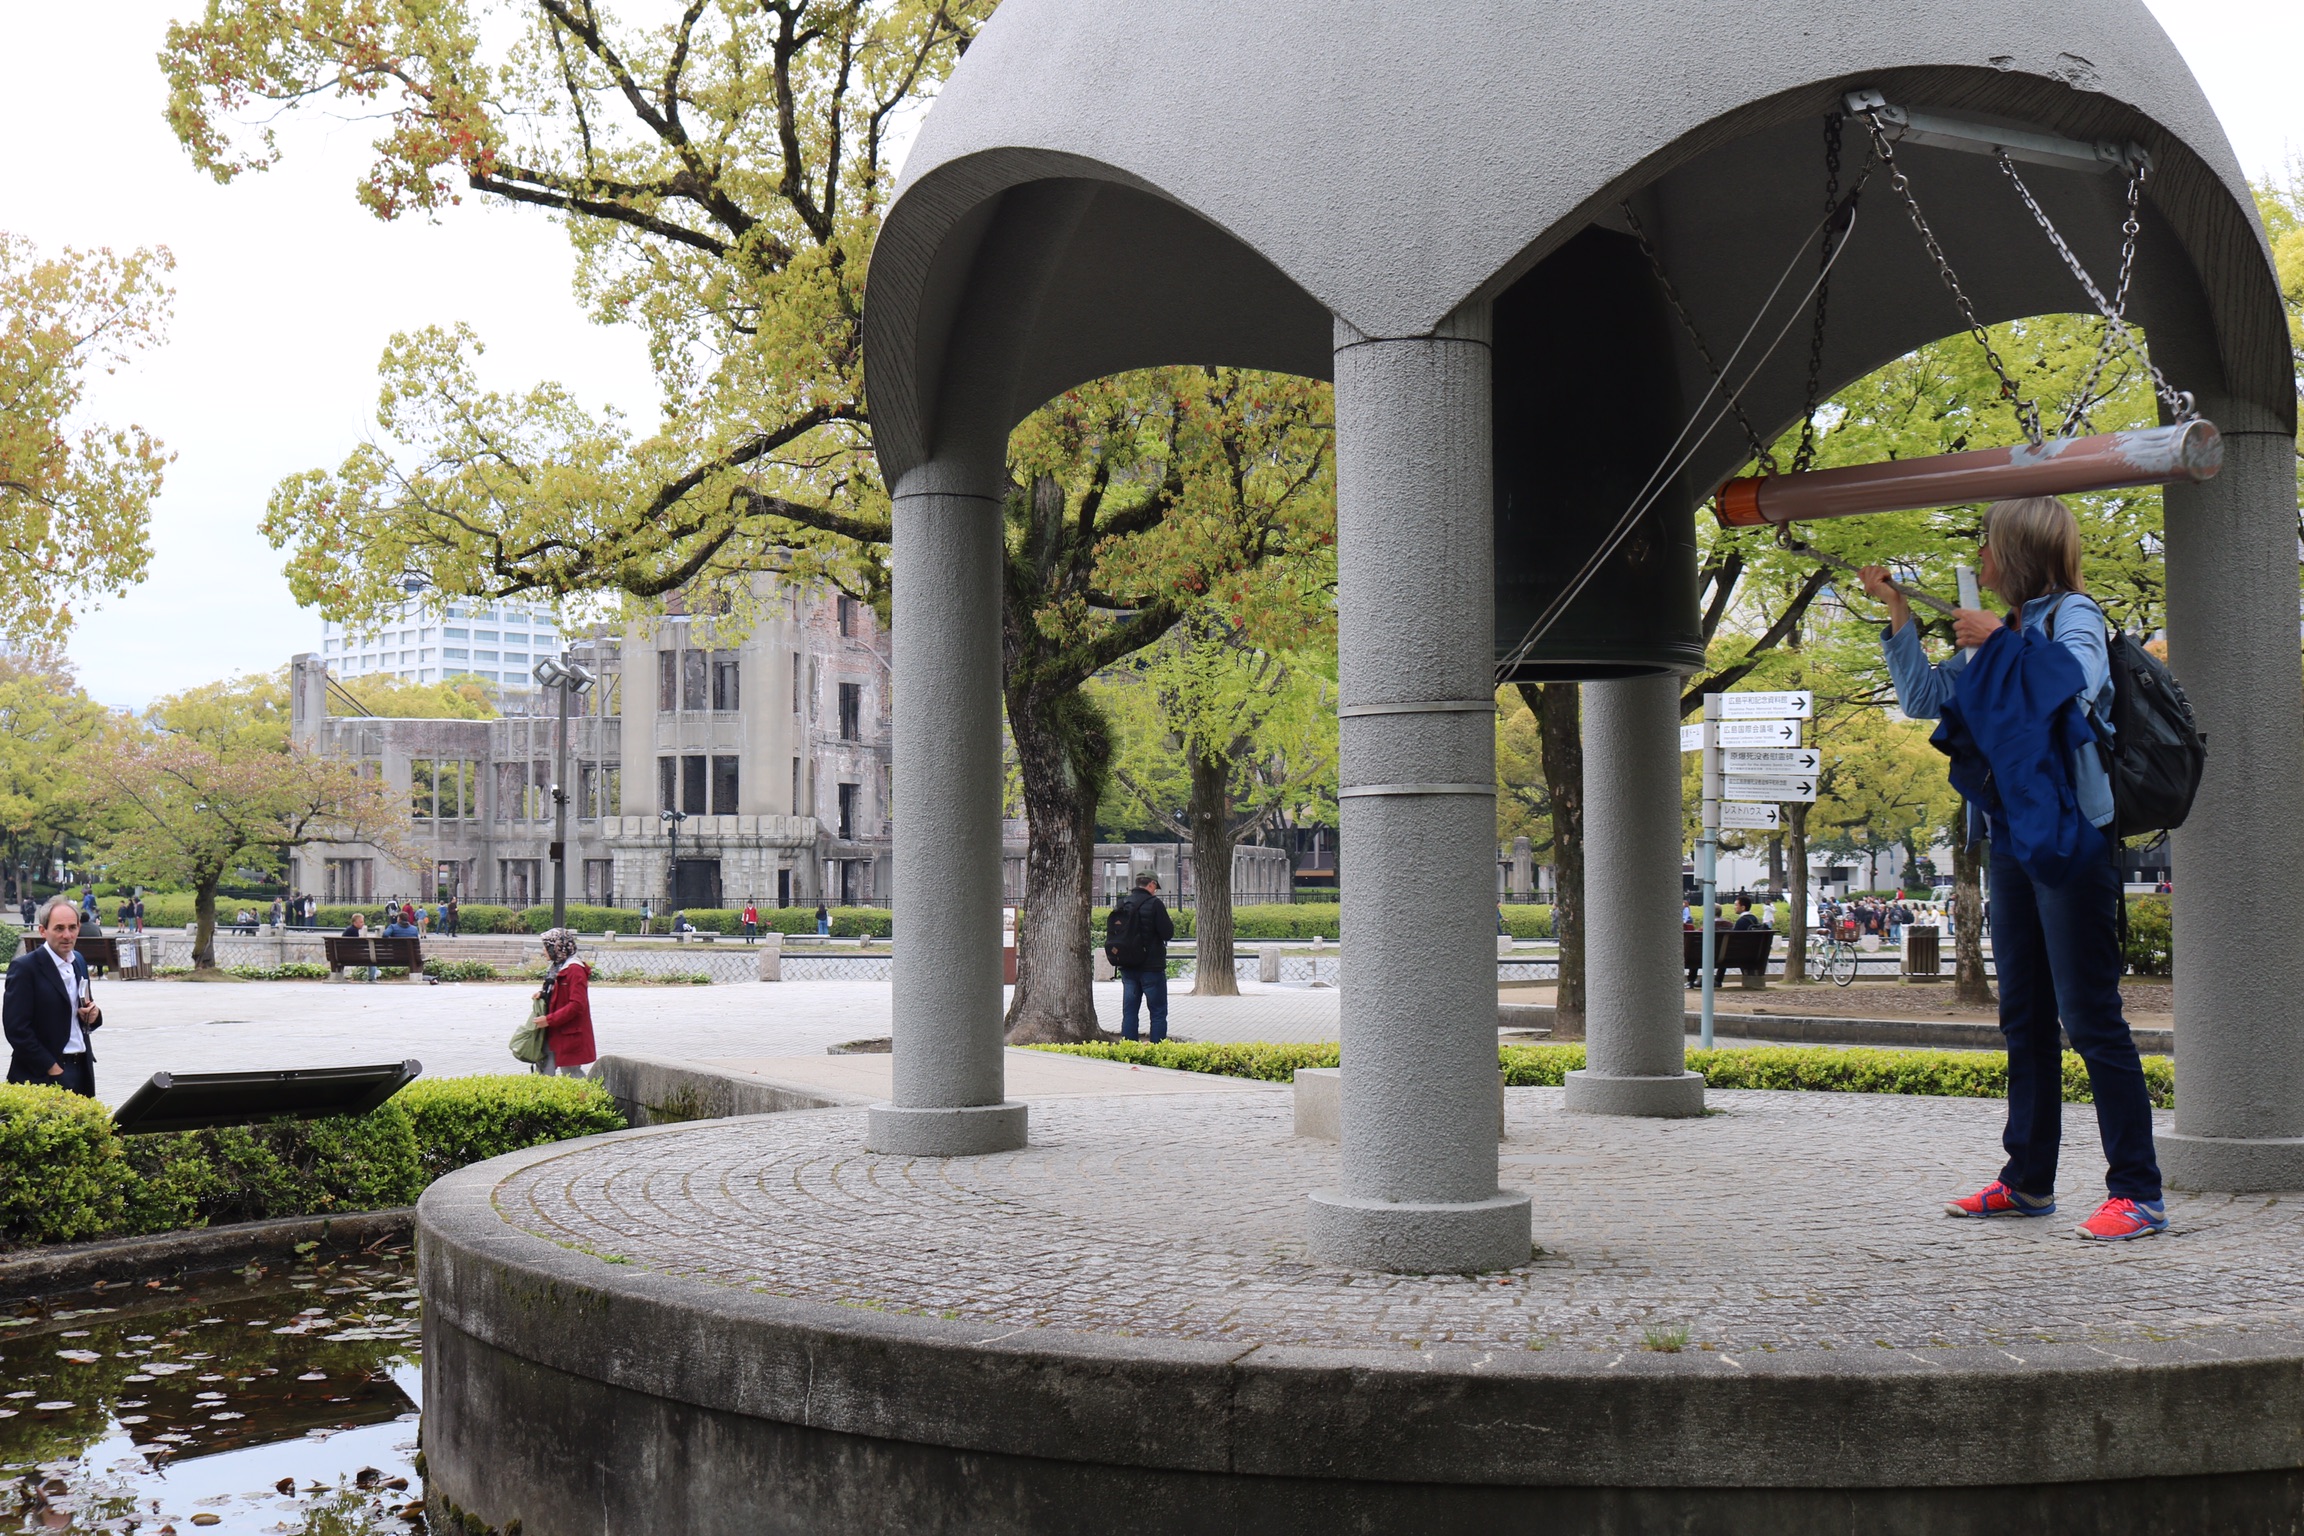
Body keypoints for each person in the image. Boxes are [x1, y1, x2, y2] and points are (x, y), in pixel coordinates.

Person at [1861, 495, 2164, 1242]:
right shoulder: (2002, 630)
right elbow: (1925, 699)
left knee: (2090, 1017)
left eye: (1989, 547)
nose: (1981, 561)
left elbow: (2077, 681)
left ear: (2020, 553)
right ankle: (2027, 1181)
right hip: (2008, 839)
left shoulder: (2072, 616)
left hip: (2071, 835)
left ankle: (2139, 1192)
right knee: (2024, 1016)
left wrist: (1998, 639)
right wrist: (1899, 615)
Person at [4, 896, 105, 1097]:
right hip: (43, 1074)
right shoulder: (25, 968)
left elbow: (83, 1006)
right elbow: (16, 1029)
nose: (67, 935)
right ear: (43, 930)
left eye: (72, 927)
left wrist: (93, 1015)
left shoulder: (78, 961)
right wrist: (51, 1067)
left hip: (81, 1068)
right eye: (59, 928)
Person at [1107, 872, 1176, 1043]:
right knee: (1158, 1012)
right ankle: (1157, 1048)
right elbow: (1167, 933)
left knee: (1130, 1011)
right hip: (1151, 967)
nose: (1155, 891)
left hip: (1128, 966)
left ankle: (1129, 1047)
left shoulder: (1123, 903)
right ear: (1151, 884)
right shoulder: (1155, 904)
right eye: (1155, 887)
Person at [532, 928, 596, 1078]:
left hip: (568, 1032)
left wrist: (549, 1020)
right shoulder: (557, 966)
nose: (544, 951)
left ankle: (587, 1095)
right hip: (553, 1029)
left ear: (557, 948)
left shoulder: (574, 969)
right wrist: (543, 995)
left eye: (546, 947)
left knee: (571, 1073)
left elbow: (577, 1004)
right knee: (544, 1071)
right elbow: (559, 992)